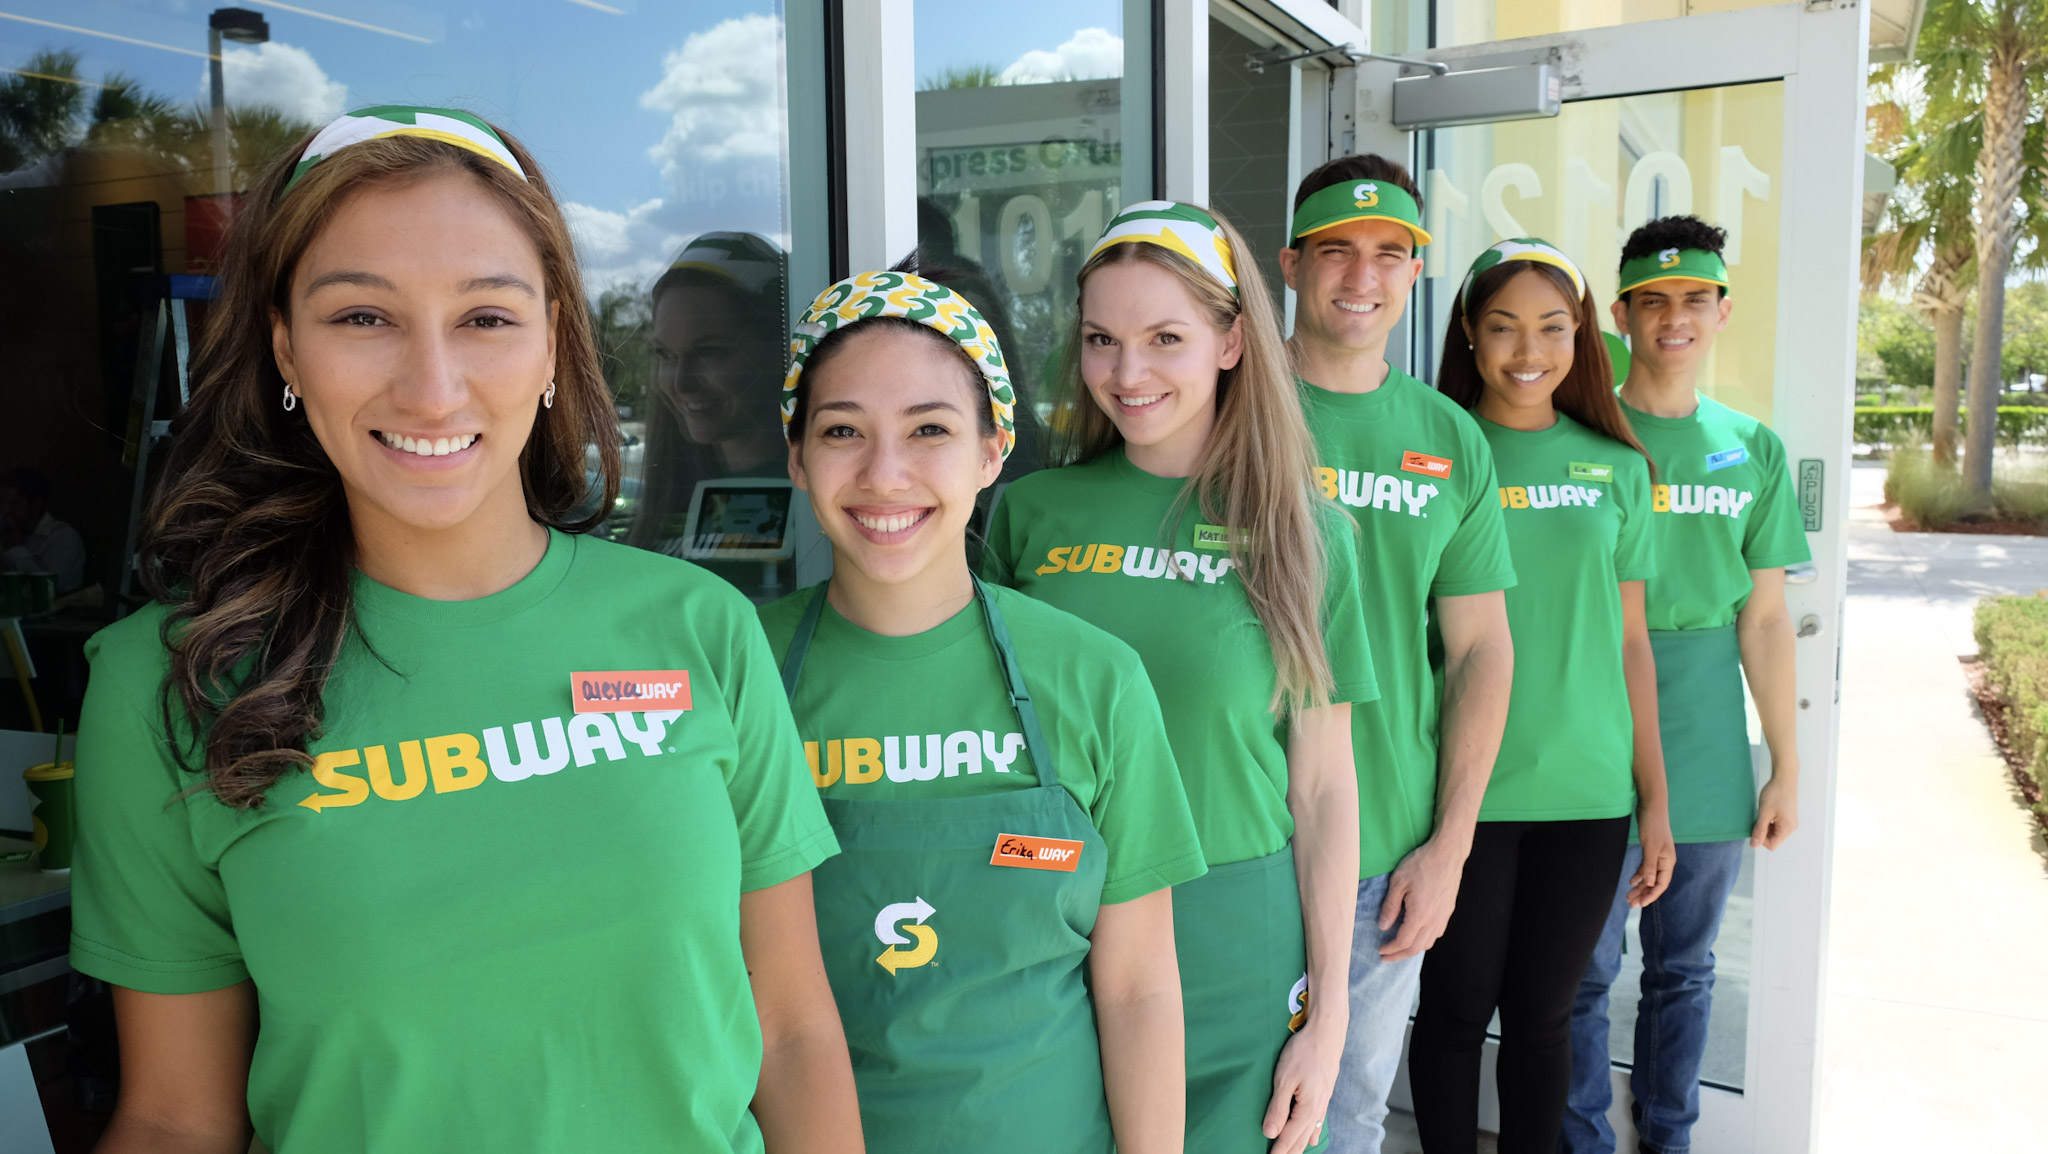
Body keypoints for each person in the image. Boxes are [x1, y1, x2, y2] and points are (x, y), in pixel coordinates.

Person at [66, 106, 859, 1154]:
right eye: (362, 317)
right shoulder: (169, 682)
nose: (431, 387)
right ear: (284, 350)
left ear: (550, 347)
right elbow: (175, 1115)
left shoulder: (695, 626)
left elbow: (792, 1029)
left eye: (485, 317)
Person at [763, 259, 1206, 1151]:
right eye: (843, 430)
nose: (885, 475)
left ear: (991, 450)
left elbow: (1138, 986)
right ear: (798, 459)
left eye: (929, 428)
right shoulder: (739, 673)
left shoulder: (1094, 677)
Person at [984, 201, 1375, 1154]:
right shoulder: (1027, 515)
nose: (1127, 373)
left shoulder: (1306, 535)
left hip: (1235, 937)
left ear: (1233, 340)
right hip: (1053, 922)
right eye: (1101, 341)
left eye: (1165, 338)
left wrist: (1329, 1020)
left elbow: (1322, 789)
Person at [1408, 238, 1676, 1154]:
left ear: (1583, 337)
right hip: (1460, 793)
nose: (1530, 350)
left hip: (1588, 794)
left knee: (1543, 1018)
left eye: (1553, 328)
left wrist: (1657, 800)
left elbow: (1633, 644)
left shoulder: (1620, 466)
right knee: (1451, 1008)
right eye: (1504, 327)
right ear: (1471, 340)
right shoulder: (1434, 452)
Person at [1276, 157, 1518, 1154]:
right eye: (1335, 249)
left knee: (1348, 1108)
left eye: (1389, 253)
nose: (1360, 274)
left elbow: (1478, 651)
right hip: (1227, 832)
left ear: (1416, 272)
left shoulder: (1448, 439)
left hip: (1380, 846)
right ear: (1290, 265)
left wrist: (1449, 840)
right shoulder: (1223, 409)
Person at [1562, 217, 1809, 1154]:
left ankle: (1669, 1137)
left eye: (1694, 300)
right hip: (1587, 719)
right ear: (1621, 314)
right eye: (1652, 301)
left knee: (1685, 969)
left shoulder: (1753, 447)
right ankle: (1581, 1140)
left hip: (1706, 734)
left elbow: (1767, 619)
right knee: (1580, 976)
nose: (1674, 318)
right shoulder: (1583, 434)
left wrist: (1785, 763)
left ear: (1721, 310)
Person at [630, 231, 790, 554]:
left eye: (710, 352)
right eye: (665, 355)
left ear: (780, 350)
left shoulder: (821, 498)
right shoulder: (671, 499)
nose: (680, 383)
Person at [0, 466, 87, 594]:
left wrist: (15, 550)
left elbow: (47, 590)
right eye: (1, 503)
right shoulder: (5, 532)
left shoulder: (64, 538)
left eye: (13, 504)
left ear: (36, 506)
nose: (5, 511)